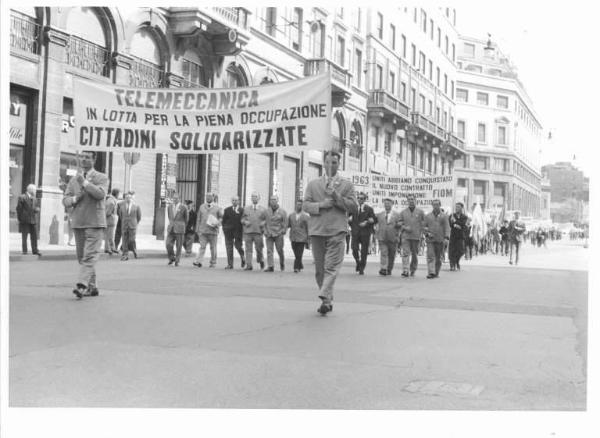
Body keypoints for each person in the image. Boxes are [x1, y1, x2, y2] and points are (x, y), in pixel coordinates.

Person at [303, 150, 357, 315]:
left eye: (334, 162)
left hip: (337, 230)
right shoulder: (313, 184)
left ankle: (324, 293)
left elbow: (353, 207)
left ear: (338, 164)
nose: (330, 165)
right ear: (323, 163)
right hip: (318, 231)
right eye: (328, 162)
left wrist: (336, 195)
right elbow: (305, 205)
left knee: (331, 267)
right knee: (320, 269)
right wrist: (321, 205)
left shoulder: (347, 185)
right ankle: (327, 300)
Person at [62, 151, 108, 298]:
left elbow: (100, 194)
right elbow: (66, 199)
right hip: (79, 222)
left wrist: (85, 183)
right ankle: (92, 287)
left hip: (95, 222)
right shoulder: (74, 179)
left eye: (87, 157)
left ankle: (82, 285)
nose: (83, 159)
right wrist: (75, 199)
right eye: (82, 156)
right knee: (82, 257)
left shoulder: (101, 177)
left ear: (94, 160)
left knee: (89, 257)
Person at [398, 194, 425, 277]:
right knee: (405, 253)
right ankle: (405, 270)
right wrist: (404, 227)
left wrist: (423, 233)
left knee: (414, 254)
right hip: (406, 236)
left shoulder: (420, 212)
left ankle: (413, 269)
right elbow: (399, 223)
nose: (411, 201)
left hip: (416, 236)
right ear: (407, 201)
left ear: (415, 200)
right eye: (409, 199)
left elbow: (424, 223)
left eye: (412, 199)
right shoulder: (403, 212)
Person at [349, 192, 377, 275]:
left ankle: (362, 268)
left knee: (364, 251)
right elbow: (347, 218)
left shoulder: (369, 209)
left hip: (365, 233)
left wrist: (367, 222)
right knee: (354, 249)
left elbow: (374, 219)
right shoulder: (353, 208)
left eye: (361, 198)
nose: (359, 200)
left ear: (365, 200)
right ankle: (358, 262)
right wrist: (350, 223)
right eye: (358, 198)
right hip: (355, 232)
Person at [423, 199, 450, 279]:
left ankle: (436, 272)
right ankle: (431, 272)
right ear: (432, 206)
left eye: (437, 204)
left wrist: (446, 237)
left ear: (440, 205)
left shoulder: (444, 216)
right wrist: (427, 233)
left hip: (440, 239)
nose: (435, 206)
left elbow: (447, 227)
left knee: (438, 257)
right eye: (434, 205)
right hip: (430, 240)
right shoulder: (428, 216)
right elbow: (424, 227)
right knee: (430, 256)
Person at [194, 193, 222, 268]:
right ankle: (198, 261)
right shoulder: (202, 207)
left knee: (213, 247)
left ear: (213, 197)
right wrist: (197, 229)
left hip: (213, 231)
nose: (208, 198)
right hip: (203, 231)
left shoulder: (217, 207)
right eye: (207, 196)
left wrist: (218, 222)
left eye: (210, 196)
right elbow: (198, 218)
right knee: (202, 246)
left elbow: (221, 217)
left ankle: (213, 262)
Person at [375, 197, 401, 276]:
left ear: (392, 204)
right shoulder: (380, 215)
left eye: (388, 204)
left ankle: (389, 269)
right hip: (382, 237)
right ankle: (383, 268)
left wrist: (398, 226)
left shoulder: (397, 215)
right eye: (385, 204)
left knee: (391, 255)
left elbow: (400, 225)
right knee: (383, 253)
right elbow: (375, 223)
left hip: (393, 238)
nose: (387, 205)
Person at [241, 192, 266, 271]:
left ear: (259, 198)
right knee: (248, 249)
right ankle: (249, 265)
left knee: (259, 249)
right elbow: (242, 219)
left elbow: (267, 219)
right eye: (253, 197)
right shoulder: (246, 208)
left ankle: (261, 260)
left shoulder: (263, 209)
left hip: (258, 232)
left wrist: (263, 223)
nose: (254, 198)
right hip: (248, 232)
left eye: (256, 196)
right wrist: (245, 222)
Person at [263, 195, 287, 272]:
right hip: (269, 234)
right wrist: (265, 231)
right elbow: (263, 222)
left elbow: (285, 223)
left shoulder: (282, 211)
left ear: (277, 201)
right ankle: (270, 266)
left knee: (279, 250)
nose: (273, 201)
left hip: (278, 234)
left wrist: (283, 231)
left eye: (274, 199)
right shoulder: (266, 211)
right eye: (271, 199)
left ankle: (282, 263)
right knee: (269, 250)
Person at [16, 183, 41, 256]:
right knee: (24, 236)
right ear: (31, 190)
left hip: (33, 220)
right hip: (24, 220)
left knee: (34, 236)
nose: (35, 191)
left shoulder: (35, 199)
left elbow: (35, 208)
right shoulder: (22, 197)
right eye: (35, 190)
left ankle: (35, 250)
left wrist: (37, 209)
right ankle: (25, 250)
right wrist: (19, 219)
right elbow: (19, 209)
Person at [222, 195, 246, 269]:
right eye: (233, 200)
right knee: (229, 248)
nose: (234, 202)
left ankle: (242, 257)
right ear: (231, 201)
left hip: (238, 231)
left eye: (236, 200)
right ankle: (230, 264)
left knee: (238, 246)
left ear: (239, 201)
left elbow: (244, 220)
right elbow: (224, 221)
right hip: (228, 232)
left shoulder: (242, 210)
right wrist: (224, 229)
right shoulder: (227, 210)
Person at [166, 192, 188, 266]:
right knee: (168, 244)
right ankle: (172, 257)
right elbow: (169, 216)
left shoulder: (184, 207)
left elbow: (186, 219)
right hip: (171, 228)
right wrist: (172, 224)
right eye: (174, 198)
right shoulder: (169, 207)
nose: (174, 199)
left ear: (179, 199)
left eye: (176, 198)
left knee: (179, 246)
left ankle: (177, 261)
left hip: (180, 228)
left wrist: (182, 225)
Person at [118, 191, 141, 261]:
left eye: (129, 197)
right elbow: (120, 216)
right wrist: (124, 222)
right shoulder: (121, 206)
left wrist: (135, 223)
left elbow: (139, 217)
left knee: (132, 240)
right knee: (124, 240)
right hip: (124, 225)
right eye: (126, 198)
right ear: (124, 199)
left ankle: (134, 250)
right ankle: (125, 255)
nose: (128, 199)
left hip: (132, 226)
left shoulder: (136, 206)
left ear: (132, 199)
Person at [288, 200, 309, 273]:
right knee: (296, 253)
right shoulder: (291, 215)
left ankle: (296, 267)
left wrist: (308, 239)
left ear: (302, 206)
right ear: (295, 205)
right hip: (293, 237)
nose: (298, 206)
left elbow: (308, 228)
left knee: (299, 253)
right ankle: (300, 264)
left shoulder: (306, 216)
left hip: (302, 238)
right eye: (297, 204)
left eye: (300, 204)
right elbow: (288, 225)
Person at [448, 202, 468, 271]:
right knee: (452, 251)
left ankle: (457, 261)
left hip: (461, 236)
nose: (457, 208)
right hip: (453, 236)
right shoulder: (451, 216)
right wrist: (456, 225)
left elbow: (463, 225)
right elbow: (451, 224)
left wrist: (455, 222)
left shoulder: (464, 217)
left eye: (458, 207)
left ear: (462, 208)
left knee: (461, 251)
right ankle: (452, 264)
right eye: (456, 207)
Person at [104, 188, 119, 255]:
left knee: (107, 235)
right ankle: (111, 248)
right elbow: (108, 212)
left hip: (109, 220)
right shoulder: (112, 202)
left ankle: (108, 248)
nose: (119, 195)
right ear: (116, 194)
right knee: (110, 235)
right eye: (119, 194)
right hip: (110, 220)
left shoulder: (110, 200)